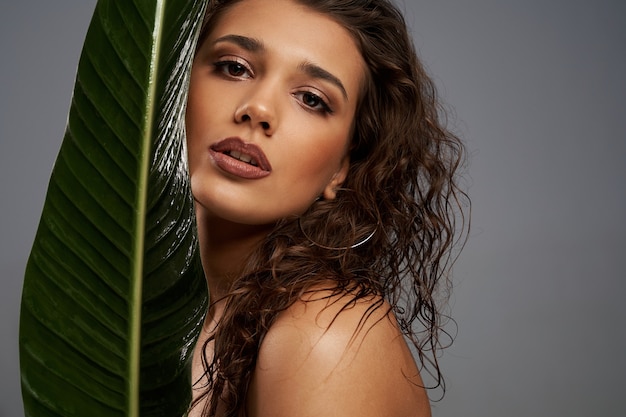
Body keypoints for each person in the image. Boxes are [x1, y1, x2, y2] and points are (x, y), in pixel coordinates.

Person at [184, 0, 467, 416]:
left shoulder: (322, 334)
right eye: (235, 67)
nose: (258, 109)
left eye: (312, 99)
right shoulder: (144, 313)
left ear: (341, 168)